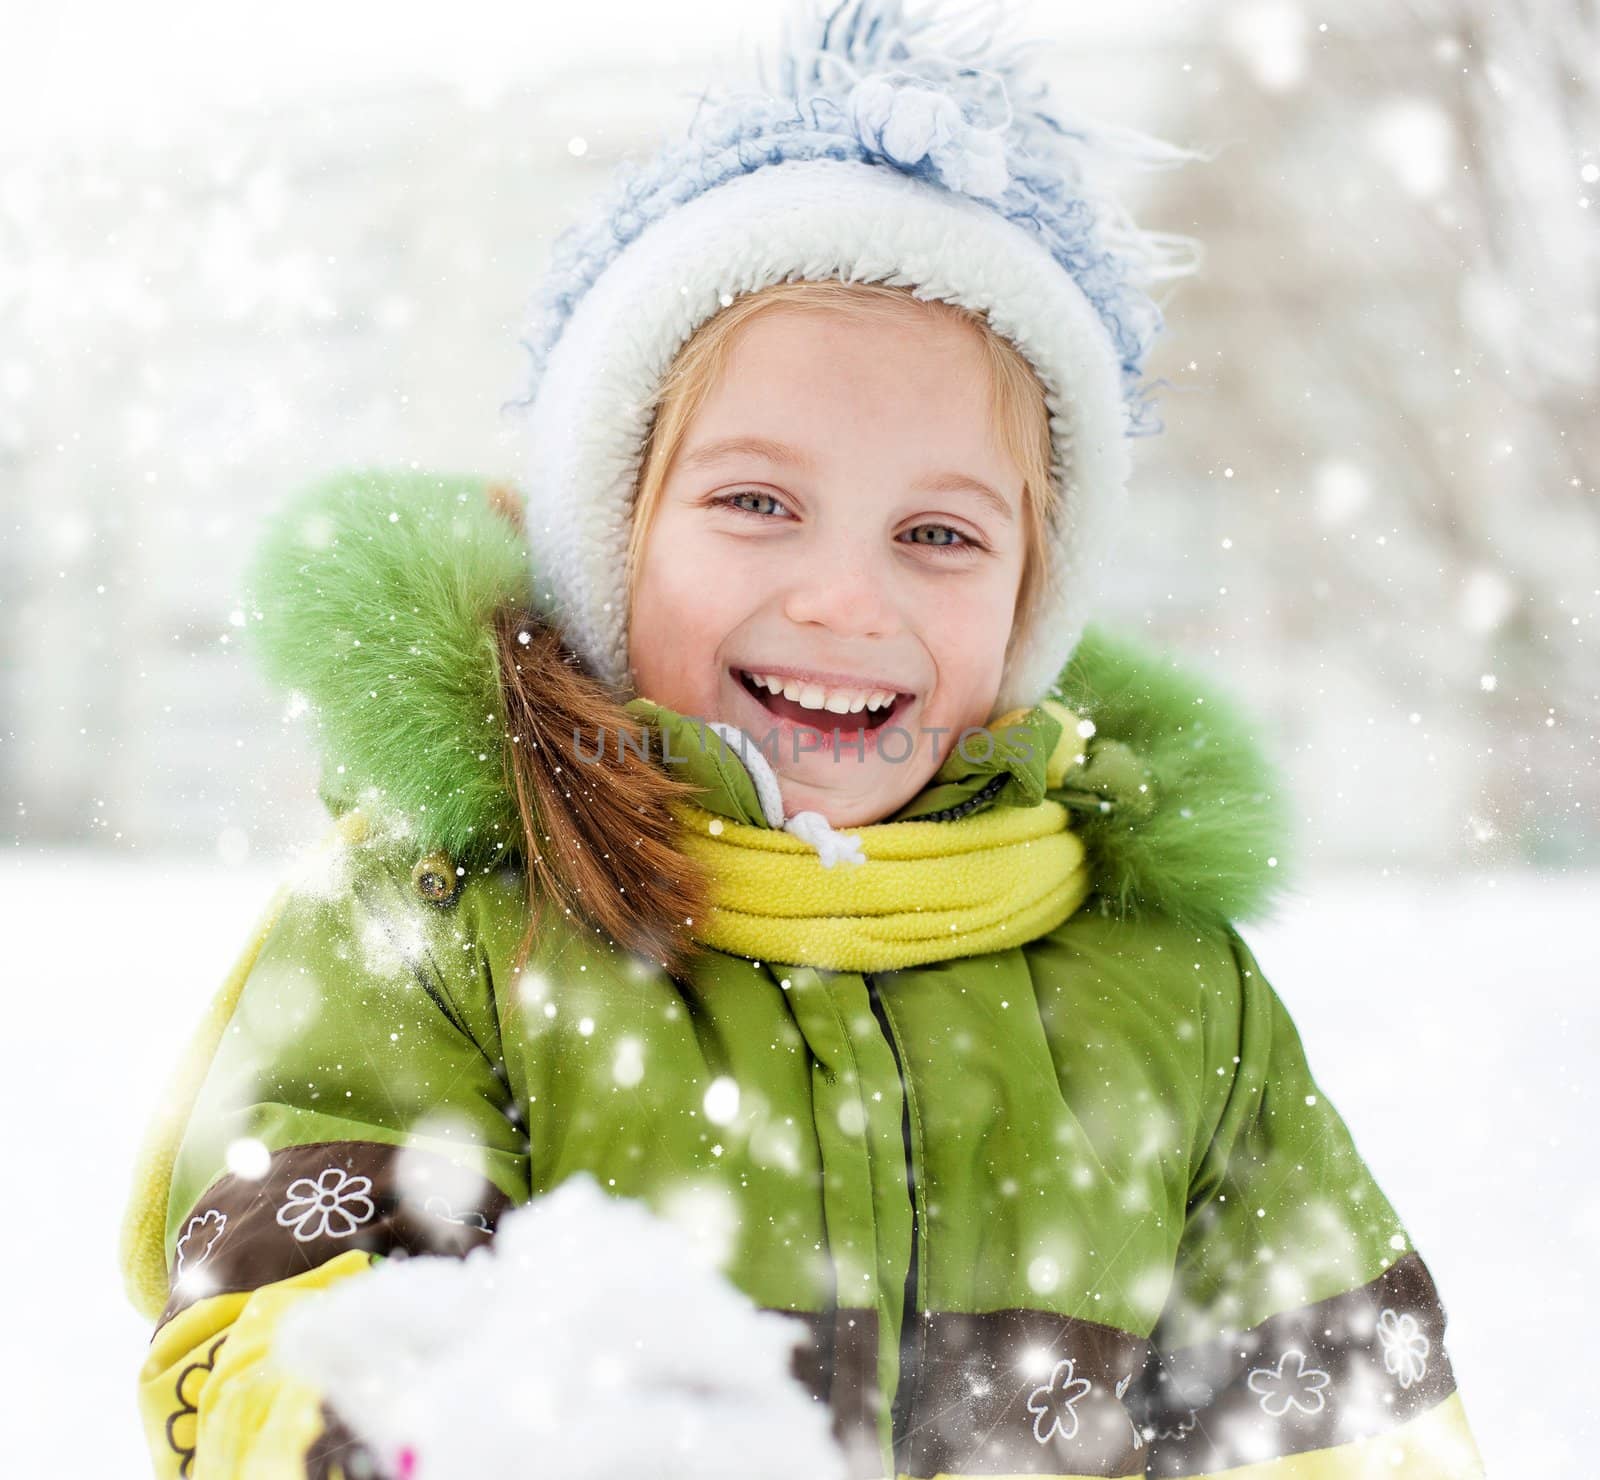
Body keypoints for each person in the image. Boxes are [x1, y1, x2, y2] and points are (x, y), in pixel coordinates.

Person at [121, 2, 1488, 1476]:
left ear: (1033, 602)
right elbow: (283, 1332)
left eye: (938, 531)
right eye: (757, 502)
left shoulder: (1169, 998)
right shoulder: (451, 927)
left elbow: (1344, 1427)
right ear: (610, 541)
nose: (846, 596)